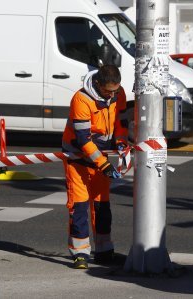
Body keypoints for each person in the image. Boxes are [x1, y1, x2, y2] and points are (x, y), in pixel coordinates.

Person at [62, 65, 128, 269]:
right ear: (98, 84)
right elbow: (83, 139)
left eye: (115, 91)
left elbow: (121, 122)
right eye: (109, 91)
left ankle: (104, 252)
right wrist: (104, 164)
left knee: (102, 206)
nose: (112, 95)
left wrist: (121, 141)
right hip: (78, 157)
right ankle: (80, 253)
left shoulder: (119, 93)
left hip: (101, 156)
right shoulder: (81, 99)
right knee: (79, 205)